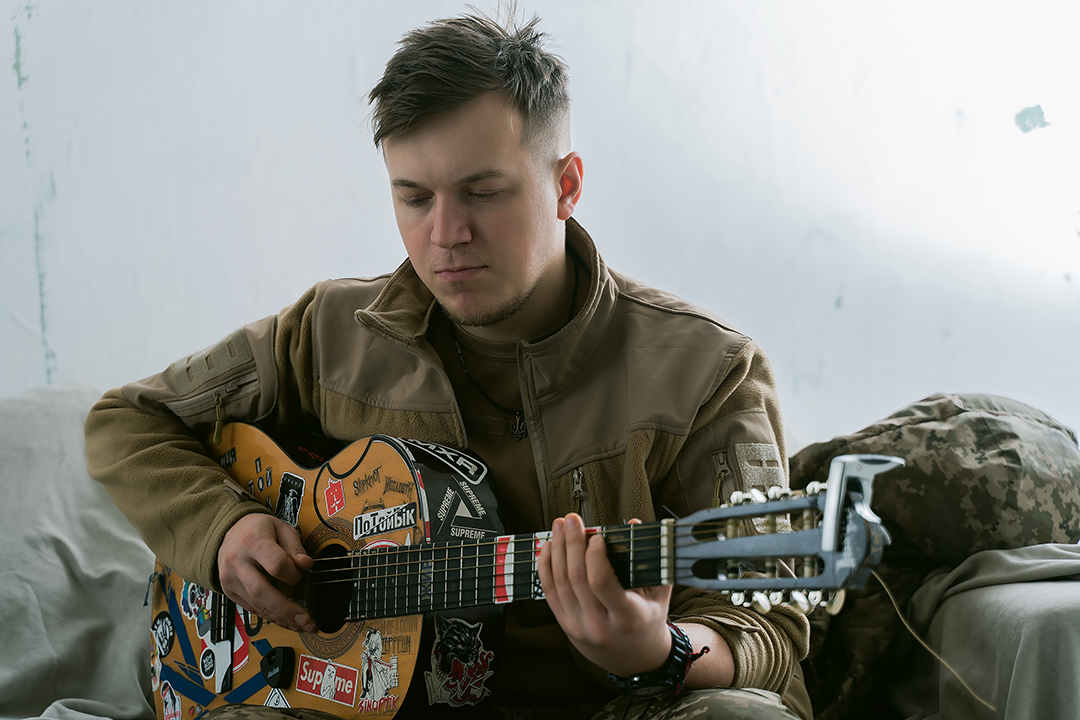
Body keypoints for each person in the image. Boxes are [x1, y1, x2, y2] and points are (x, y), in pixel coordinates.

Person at [84, 9, 811, 720]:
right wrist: (224, 528)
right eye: (413, 198)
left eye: (482, 193)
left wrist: (656, 650)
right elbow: (127, 421)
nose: (445, 234)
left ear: (566, 185)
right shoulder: (328, 333)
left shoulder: (708, 371)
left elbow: (769, 633)